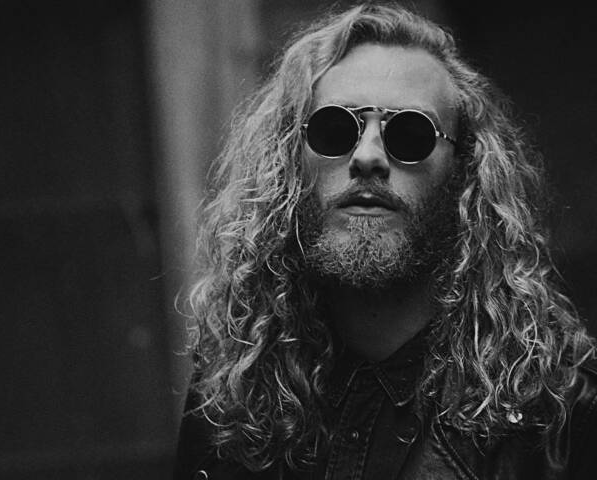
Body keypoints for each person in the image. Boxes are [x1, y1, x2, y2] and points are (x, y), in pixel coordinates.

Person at [173, 3, 597, 479]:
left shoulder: (564, 415)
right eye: (335, 129)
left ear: (464, 174)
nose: (368, 156)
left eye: (410, 133)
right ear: (289, 165)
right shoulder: (233, 390)